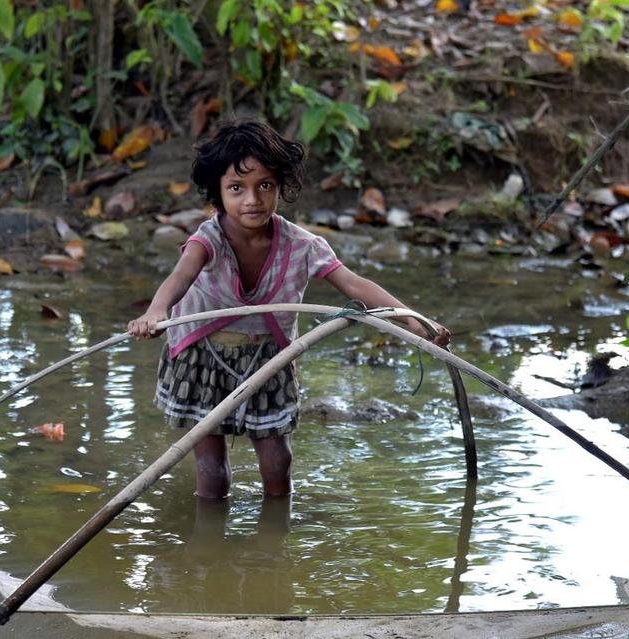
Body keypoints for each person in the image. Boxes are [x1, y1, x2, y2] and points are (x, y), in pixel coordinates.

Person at [128, 119, 450, 500]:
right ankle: (207, 553)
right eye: (237, 188)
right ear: (217, 193)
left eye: (265, 185)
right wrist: (157, 311)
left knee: (277, 464)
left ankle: (274, 546)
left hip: (269, 360)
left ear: (280, 186)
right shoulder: (207, 239)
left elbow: (353, 284)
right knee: (212, 473)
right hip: (204, 357)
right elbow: (180, 277)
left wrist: (412, 321)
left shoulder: (302, 245)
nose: (252, 199)